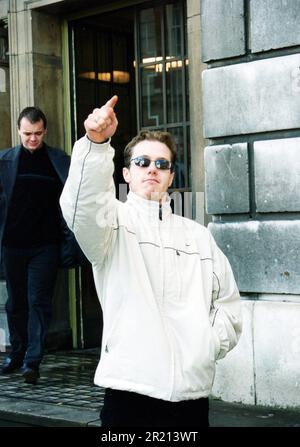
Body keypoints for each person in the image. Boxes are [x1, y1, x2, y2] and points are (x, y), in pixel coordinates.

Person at [60, 96, 242, 427]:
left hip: (190, 395)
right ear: (126, 173)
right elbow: (81, 206)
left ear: (172, 176)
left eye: (162, 164)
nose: (152, 170)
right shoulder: (112, 223)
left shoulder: (198, 236)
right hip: (130, 390)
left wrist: (206, 344)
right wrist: (96, 144)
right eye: (143, 162)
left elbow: (228, 304)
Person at [0, 106, 71, 384]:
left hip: (46, 245)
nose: (32, 139)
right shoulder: (4, 161)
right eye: (27, 133)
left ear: (45, 131)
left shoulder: (58, 160)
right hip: (13, 245)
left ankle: (33, 361)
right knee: (15, 303)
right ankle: (16, 354)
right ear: (19, 131)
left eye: (38, 133)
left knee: (39, 301)